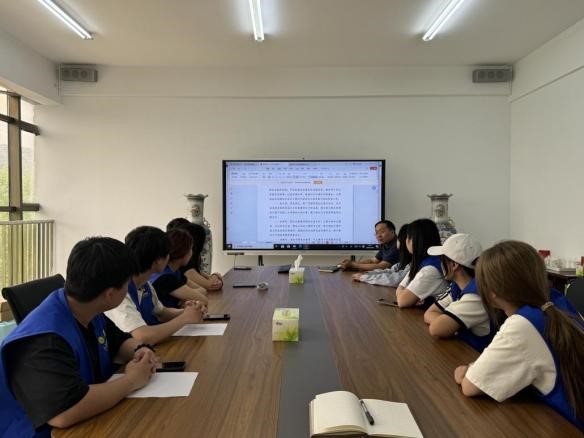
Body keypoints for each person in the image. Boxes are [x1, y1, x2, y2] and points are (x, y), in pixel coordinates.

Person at [0, 237, 158, 437]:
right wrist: (132, 380)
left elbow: (119, 341)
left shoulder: (87, 309)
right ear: (110, 294)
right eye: (127, 284)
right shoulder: (43, 340)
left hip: (92, 423)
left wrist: (140, 351)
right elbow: (63, 413)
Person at [454, 241, 584, 430]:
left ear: (492, 292)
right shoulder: (557, 301)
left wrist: (466, 370)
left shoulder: (522, 325)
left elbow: (471, 386)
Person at [106, 226, 207, 345]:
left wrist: (189, 311)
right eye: (167, 253)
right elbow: (142, 337)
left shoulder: (145, 284)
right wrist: (185, 319)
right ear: (159, 260)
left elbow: (161, 313)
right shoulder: (120, 292)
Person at [423, 233, 495, 351]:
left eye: (442, 260)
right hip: (463, 350)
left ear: (454, 264)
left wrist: (451, 327)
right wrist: (451, 326)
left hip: (477, 356)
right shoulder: (457, 286)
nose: (440, 264)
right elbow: (429, 313)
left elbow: (436, 329)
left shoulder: (475, 296)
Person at [149, 228, 208, 309]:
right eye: (191, 248)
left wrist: (184, 298)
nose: (192, 253)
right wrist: (185, 298)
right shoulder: (166, 278)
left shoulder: (174, 271)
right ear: (183, 251)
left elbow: (203, 290)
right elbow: (203, 299)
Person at [395, 218, 448, 308]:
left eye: (408, 237)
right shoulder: (423, 261)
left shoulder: (430, 269)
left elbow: (402, 301)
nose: (406, 241)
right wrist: (405, 293)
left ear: (415, 240)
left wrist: (405, 294)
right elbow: (401, 287)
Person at [166, 218, 223, 291]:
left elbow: (209, 282)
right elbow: (210, 285)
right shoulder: (184, 269)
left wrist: (214, 278)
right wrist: (216, 275)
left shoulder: (178, 269)